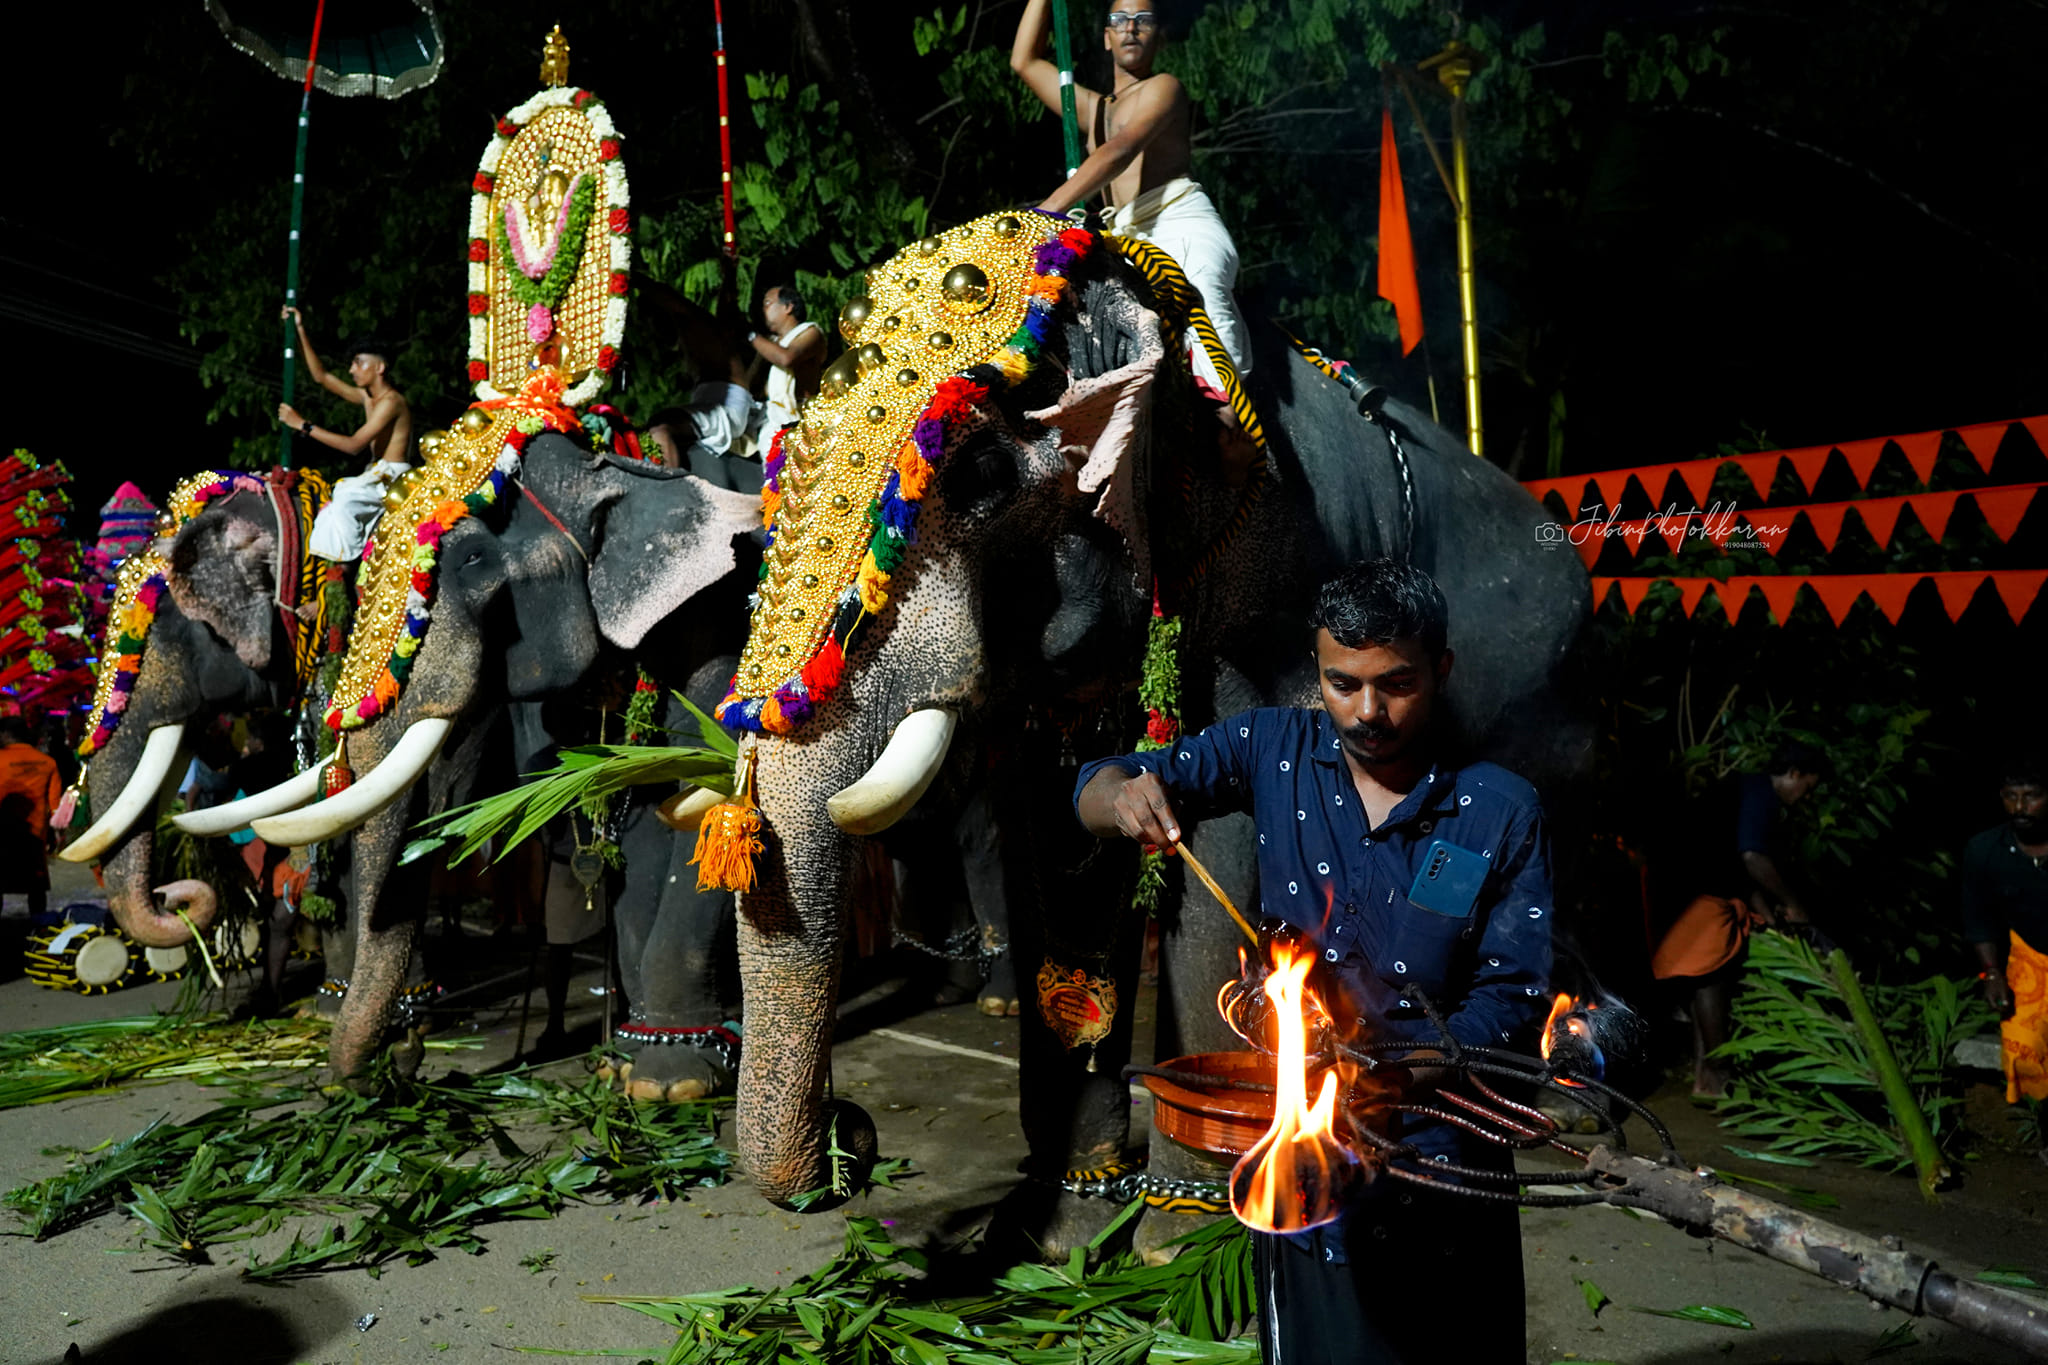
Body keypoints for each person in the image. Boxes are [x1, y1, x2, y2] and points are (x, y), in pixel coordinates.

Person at [1074, 559, 1551, 1364]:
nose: (1367, 711)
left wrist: (1390, 1071)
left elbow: (1514, 998)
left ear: (1441, 669)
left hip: (1442, 1162)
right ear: (1317, 670)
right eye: (1342, 682)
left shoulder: (1497, 807)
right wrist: (1124, 796)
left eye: (1396, 683)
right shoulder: (1273, 748)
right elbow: (1098, 784)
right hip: (1304, 1159)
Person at [1010, 0, 1251, 384]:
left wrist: (1049, 210)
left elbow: (1120, 149)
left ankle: (1232, 419)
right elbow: (1024, 62)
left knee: (1202, 292)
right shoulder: (1093, 110)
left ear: (1159, 37)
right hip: (1126, 239)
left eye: (1144, 20)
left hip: (1178, 221)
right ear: (1107, 38)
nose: (1131, 28)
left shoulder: (1164, 87)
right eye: (1119, 20)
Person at [1649, 744, 1826, 1099]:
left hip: (1685, 882)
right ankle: (1718, 1072)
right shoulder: (1762, 795)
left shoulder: (1745, 788)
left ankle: (1706, 1078)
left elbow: (1741, 870)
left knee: (1703, 979)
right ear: (1793, 774)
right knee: (1711, 976)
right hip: (1695, 889)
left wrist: (1772, 919)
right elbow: (1751, 856)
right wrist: (1795, 905)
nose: (1805, 796)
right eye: (1807, 787)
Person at [277, 308, 414, 562]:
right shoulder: (367, 397)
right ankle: (333, 575)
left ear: (380, 367)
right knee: (332, 504)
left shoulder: (391, 402)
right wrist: (299, 329)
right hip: (375, 473)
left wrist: (303, 425)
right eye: (352, 363)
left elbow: (353, 446)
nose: (352, 370)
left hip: (394, 478)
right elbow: (321, 377)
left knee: (344, 499)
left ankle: (347, 567)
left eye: (359, 363)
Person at [1962, 757, 2048, 1147]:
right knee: (2026, 1054)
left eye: (2031, 797)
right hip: (2027, 956)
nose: (2020, 807)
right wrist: (1991, 974)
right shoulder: (1985, 850)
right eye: (2011, 797)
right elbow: (1978, 917)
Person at [0, 713, 64, 917]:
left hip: (3, 834)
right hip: (36, 836)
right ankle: (39, 927)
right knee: (36, 886)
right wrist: (58, 836)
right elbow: (56, 807)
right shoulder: (47, 762)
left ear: (5, 734)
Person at [746, 285, 824, 438]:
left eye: (767, 303)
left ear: (788, 307)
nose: (763, 310)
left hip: (797, 422)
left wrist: (750, 335)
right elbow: (749, 385)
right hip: (768, 420)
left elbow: (787, 358)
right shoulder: (770, 343)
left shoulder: (811, 332)